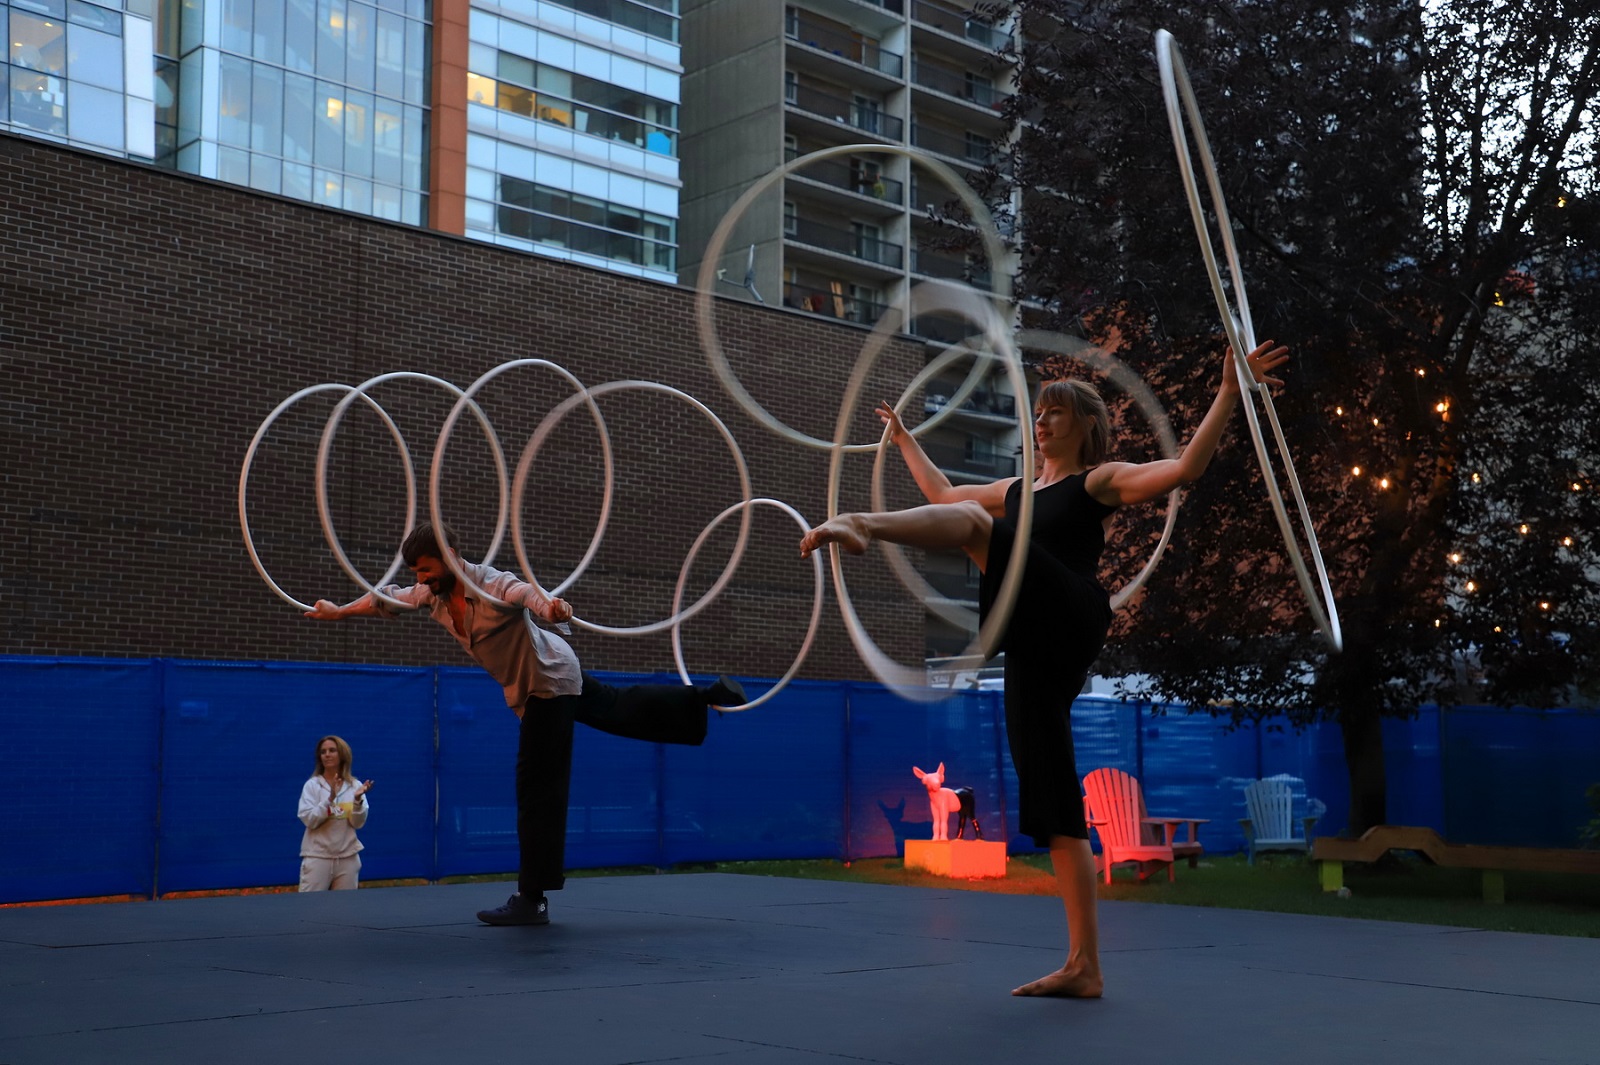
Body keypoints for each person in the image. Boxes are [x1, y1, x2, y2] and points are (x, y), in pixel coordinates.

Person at [800, 340, 1289, 998]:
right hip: (1031, 643)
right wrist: (903, 437)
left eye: (1056, 412)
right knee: (1054, 801)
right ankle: (1085, 964)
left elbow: (1183, 470)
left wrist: (1229, 391)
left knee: (975, 524)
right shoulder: (1019, 492)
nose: (1043, 421)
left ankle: (861, 524)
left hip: (1071, 611)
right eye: (1038, 411)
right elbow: (941, 492)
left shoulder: (1098, 480)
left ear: (1086, 424)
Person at [304, 522, 745, 927]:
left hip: (546, 684)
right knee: (617, 707)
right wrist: (338, 612)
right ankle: (706, 698)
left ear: (453, 556)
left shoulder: (492, 584)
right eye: (416, 571)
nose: (421, 578)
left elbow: (528, 594)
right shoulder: (433, 595)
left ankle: (532, 898)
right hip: (547, 677)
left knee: (537, 785)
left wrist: (552, 609)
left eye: (426, 568)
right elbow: (388, 597)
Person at [298, 735, 373, 891]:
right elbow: (309, 820)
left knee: (345, 911)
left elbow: (358, 823)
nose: (327, 755)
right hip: (317, 857)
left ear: (342, 754)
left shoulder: (355, 786)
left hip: (348, 858)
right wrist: (330, 799)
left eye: (332, 750)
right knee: (311, 909)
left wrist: (357, 800)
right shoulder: (312, 785)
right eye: (323, 751)